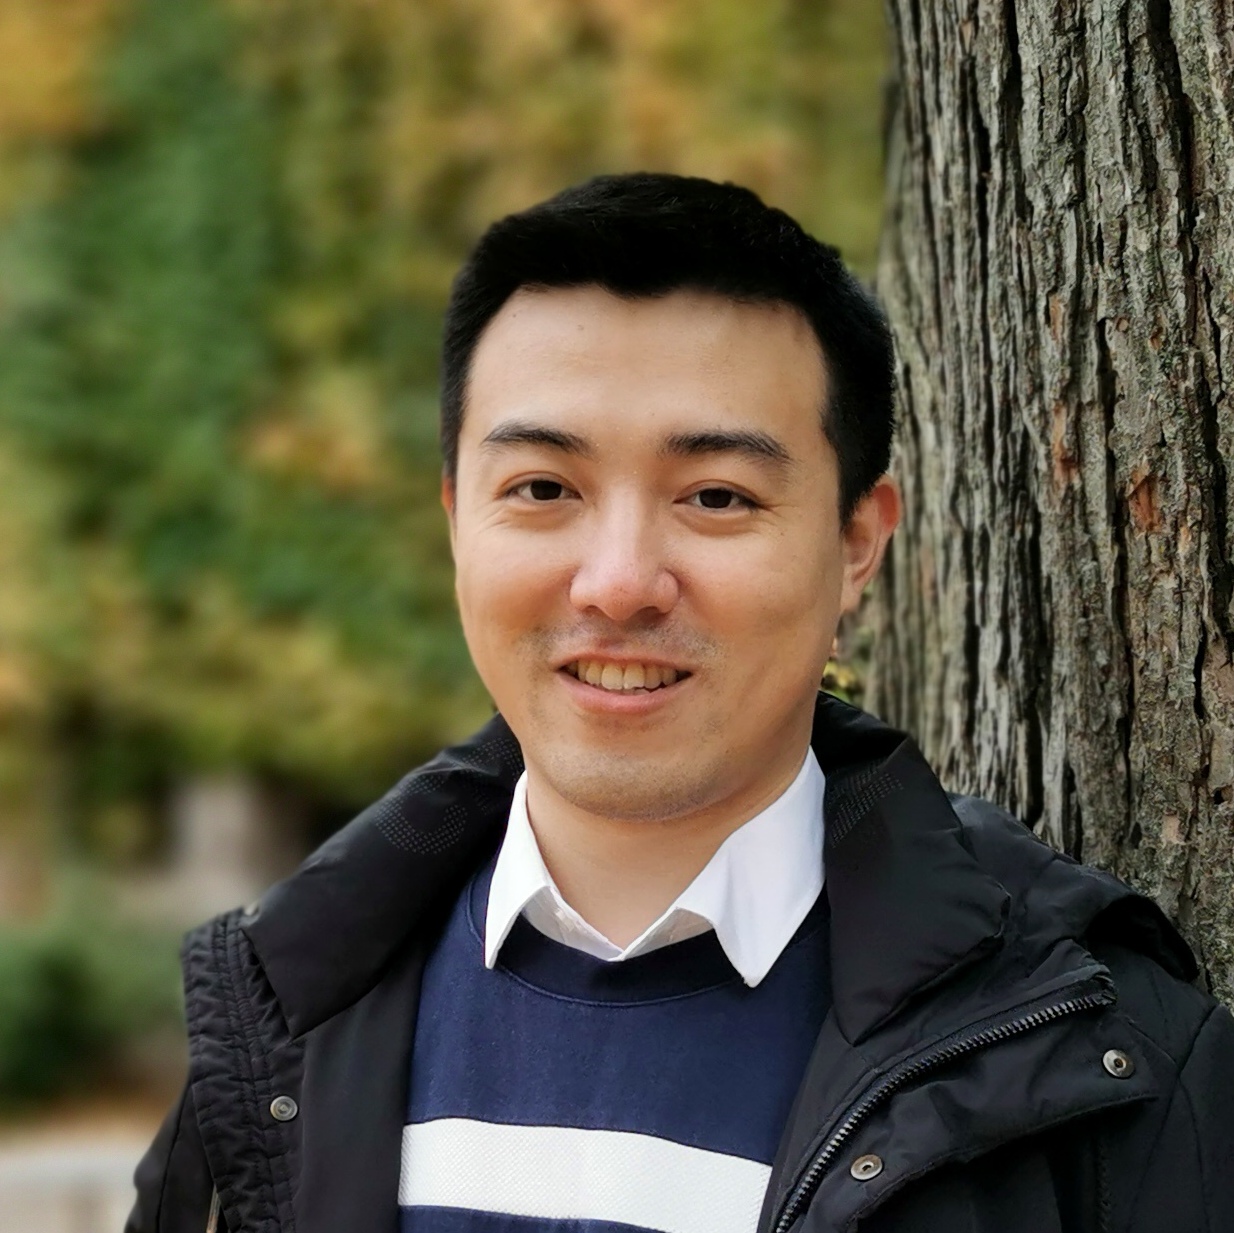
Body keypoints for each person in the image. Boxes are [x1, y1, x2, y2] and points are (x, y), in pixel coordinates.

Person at [127, 174, 1234, 1233]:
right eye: (543, 489)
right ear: (458, 518)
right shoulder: (281, 1014)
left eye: (715, 496)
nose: (616, 581)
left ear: (856, 542)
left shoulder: (1099, 1060)